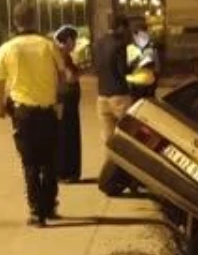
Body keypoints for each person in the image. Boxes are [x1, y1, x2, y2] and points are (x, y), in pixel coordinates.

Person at [0, 1, 67, 227]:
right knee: (49, 162)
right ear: (34, 19)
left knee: (30, 163)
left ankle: (37, 212)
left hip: (22, 114)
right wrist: (60, 102)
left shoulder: (6, 48)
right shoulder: (48, 45)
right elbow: (62, 76)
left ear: (15, 21)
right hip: (47, 112)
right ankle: (49, 206)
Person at [93, 17, 134, 150]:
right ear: (121, 27)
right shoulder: (120, 45)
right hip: (119, 96)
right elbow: (123, 71)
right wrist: (134, 65)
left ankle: (110, 165)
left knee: (108, 137)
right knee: (127, 135)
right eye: (126, 29)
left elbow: (96, 68)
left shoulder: (97, 43)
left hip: (102, 95)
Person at [53, 25, 83, 183]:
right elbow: (70, 78)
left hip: (63, 100)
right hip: (65, 100)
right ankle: (67, 172)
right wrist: (82, 71)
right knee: (67, 134)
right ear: (68, 39)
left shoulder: (62, 54)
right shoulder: (62, 55)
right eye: (74, 40)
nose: (75, 44)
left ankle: (62, 171)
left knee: (63, 133)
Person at [126, 20, 159, 100]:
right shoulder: (128, 48)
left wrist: (151, 66)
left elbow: (158, 68)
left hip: (149, 85)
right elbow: (124, 68)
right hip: (134, 85)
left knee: (148, 110)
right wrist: (137, 62)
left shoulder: (151, 49)